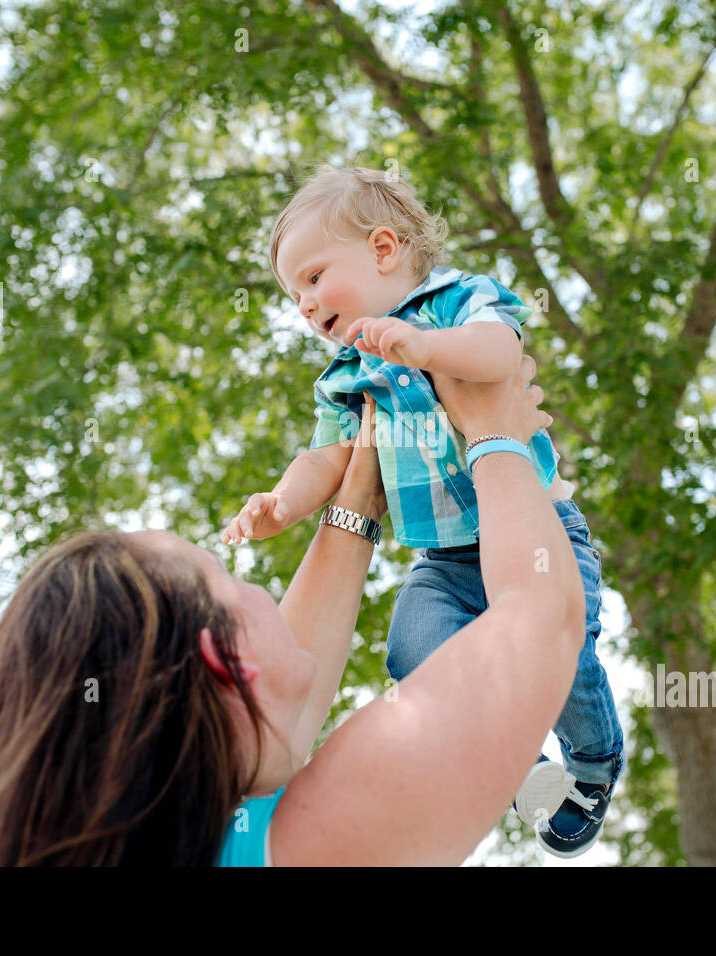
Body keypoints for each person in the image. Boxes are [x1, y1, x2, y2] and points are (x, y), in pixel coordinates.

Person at [0, 359, 587, 865]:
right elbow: (540, 617)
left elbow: (280, 709)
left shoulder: (220, 837)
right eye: (225, 576)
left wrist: (359, 497)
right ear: (226, 656)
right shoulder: (305, 850)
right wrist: (494, 430)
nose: (257, 593)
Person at [220, 165, 623, 855]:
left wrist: (428, 349)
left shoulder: (454, 301)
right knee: (411, 648)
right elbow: (332, 458)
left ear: (383, 249)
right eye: (294, 296)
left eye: (314, 278)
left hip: (540, 530)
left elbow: (501, 352)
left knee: (563, 650)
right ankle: (527, 774)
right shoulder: (346, 375)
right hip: (445, 559)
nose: (306, 305)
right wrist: (282, 503)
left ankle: (593, 757)